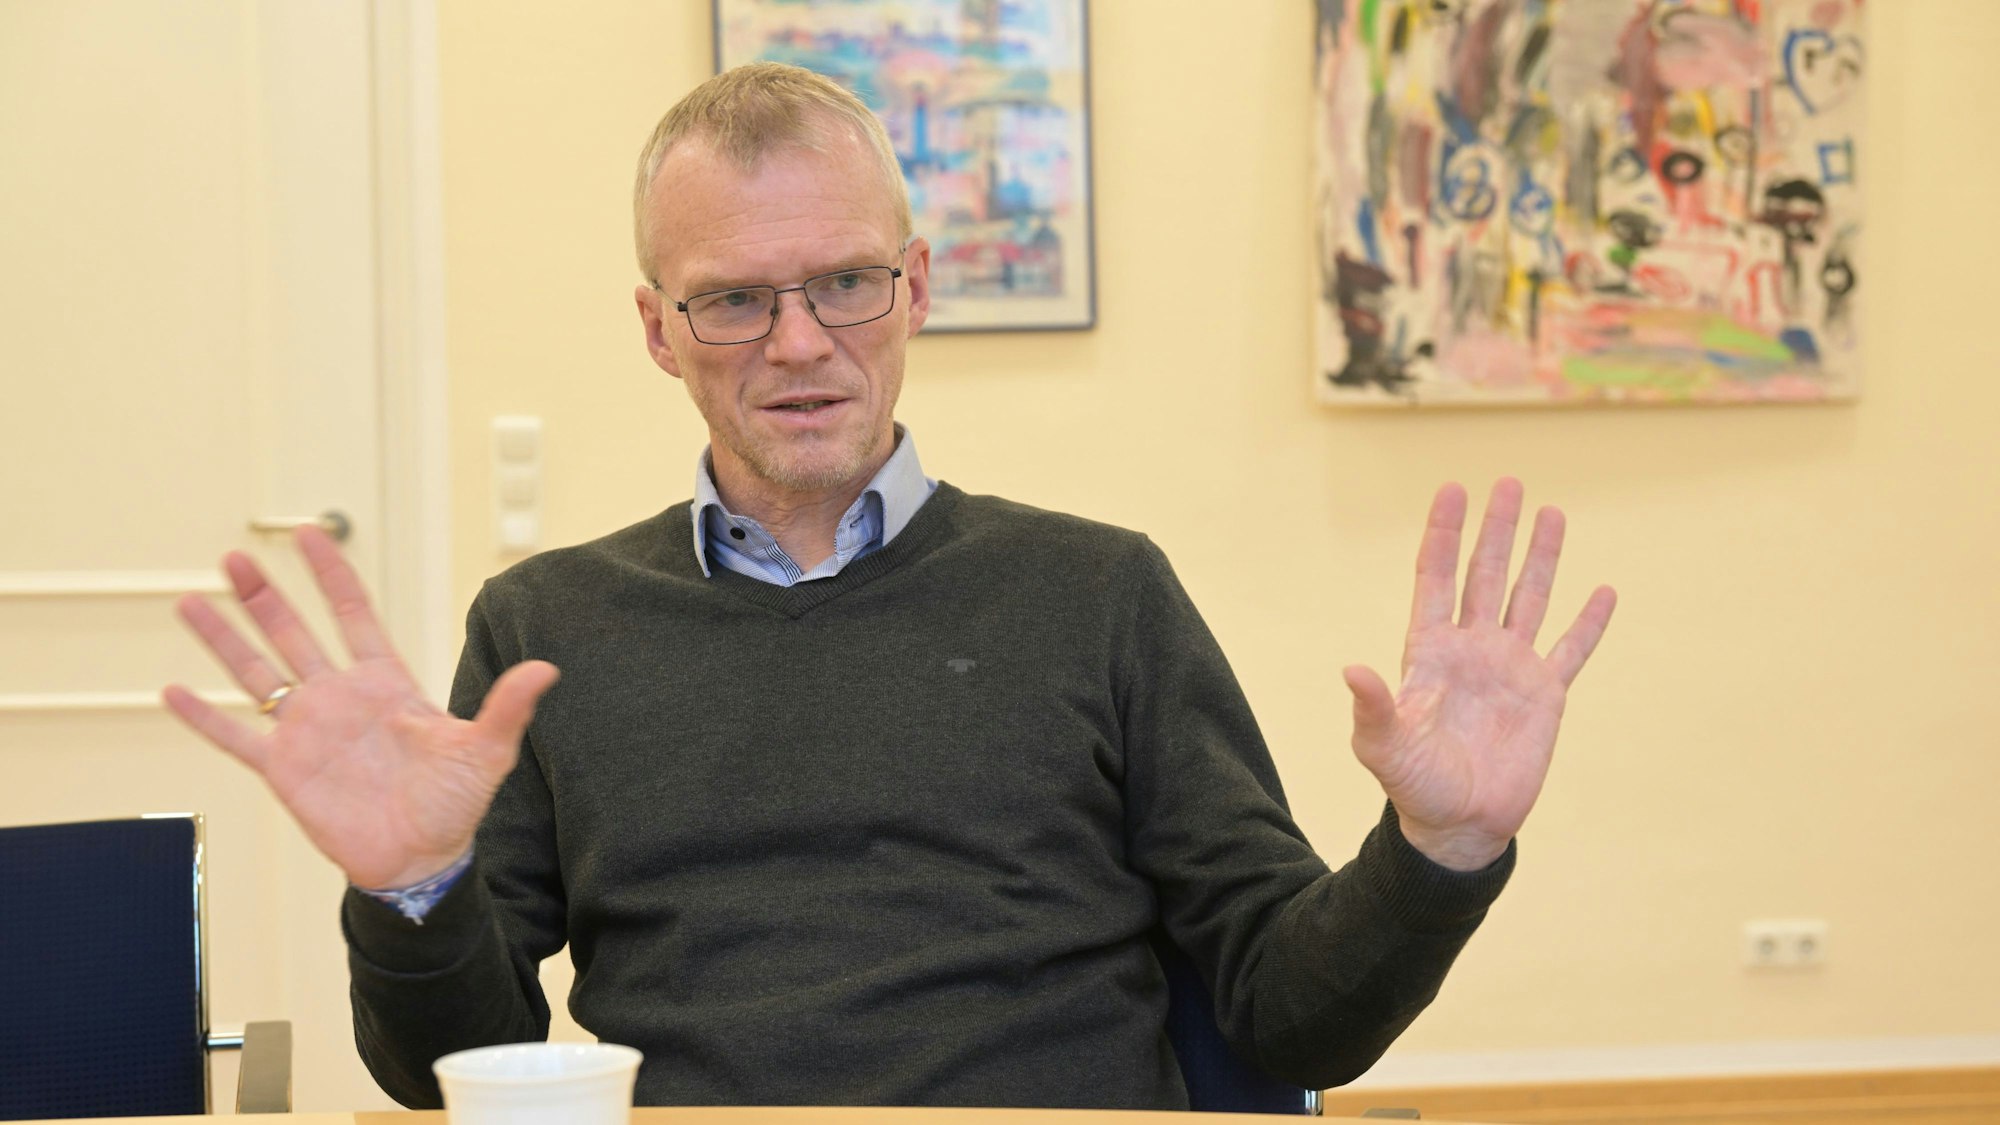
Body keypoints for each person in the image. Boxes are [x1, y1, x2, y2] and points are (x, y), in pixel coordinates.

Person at [164, 63, 1616, 1109]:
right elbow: (438, 1078)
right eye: (734, 299)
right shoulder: (545, 630)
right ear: (660, 332)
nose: (798, 343)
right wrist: (413, 890)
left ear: (917, 287)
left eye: (845, 283)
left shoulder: (1100, 593)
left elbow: (1293, 1022)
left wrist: (1441, 848)